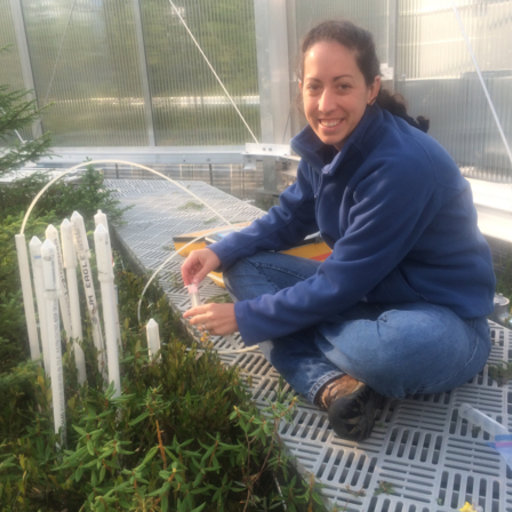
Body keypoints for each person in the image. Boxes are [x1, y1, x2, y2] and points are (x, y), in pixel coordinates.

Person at [181, 19, 496, 441]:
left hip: (442, 319)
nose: (325, 104)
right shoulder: (325, 146)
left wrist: (249, 316)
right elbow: (289, 217)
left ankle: (308, 353)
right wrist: (219, 251)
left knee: (395, 352)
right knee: (243, 267)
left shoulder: (401, 168)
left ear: (371, 89)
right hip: (366, 297)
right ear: (302, 90)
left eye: (342, 86)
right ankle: (331, 385)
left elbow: (341, 281)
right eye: (314, 86)